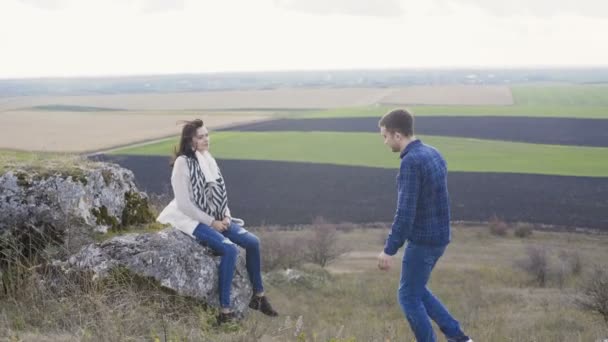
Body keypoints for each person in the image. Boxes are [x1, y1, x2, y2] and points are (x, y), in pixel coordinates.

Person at [157, 119, 278, 324]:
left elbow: (219, 193)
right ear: (190, 140)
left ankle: (258, 297)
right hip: (190, 219)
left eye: (207, 135)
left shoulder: (208, 159)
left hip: (216, 216)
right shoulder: (182, 163)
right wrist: (212, 222)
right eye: (201, 136)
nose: (206, 139)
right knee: (229, 249)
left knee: (253, 242)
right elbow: (185, 204)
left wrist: (227, 216)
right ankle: (225, 310)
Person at [377, 109, 472, 342]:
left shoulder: (411, 162)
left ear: (397, 134)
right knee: (417, 290)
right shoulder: (434, 153)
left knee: (408, 296)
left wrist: (389, 249)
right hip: (440, 238)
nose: (385, 141)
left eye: (385, 136)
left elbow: (405, 212)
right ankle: (460, 338)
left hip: (422, 241)